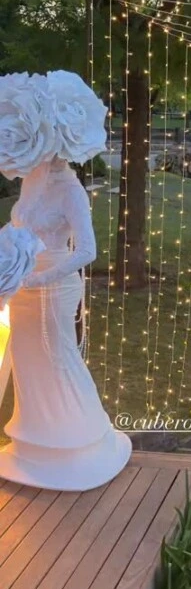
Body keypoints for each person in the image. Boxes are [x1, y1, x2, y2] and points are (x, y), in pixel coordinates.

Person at [0, 156, 131, 491]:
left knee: (58, 359)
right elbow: (18, 231)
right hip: (21, 286)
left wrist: (43, 278)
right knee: (27, 362)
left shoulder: (72, 191)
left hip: (55, 288)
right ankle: (35, 442)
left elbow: (88, 251)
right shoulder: (31, 182)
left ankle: (75, 442)